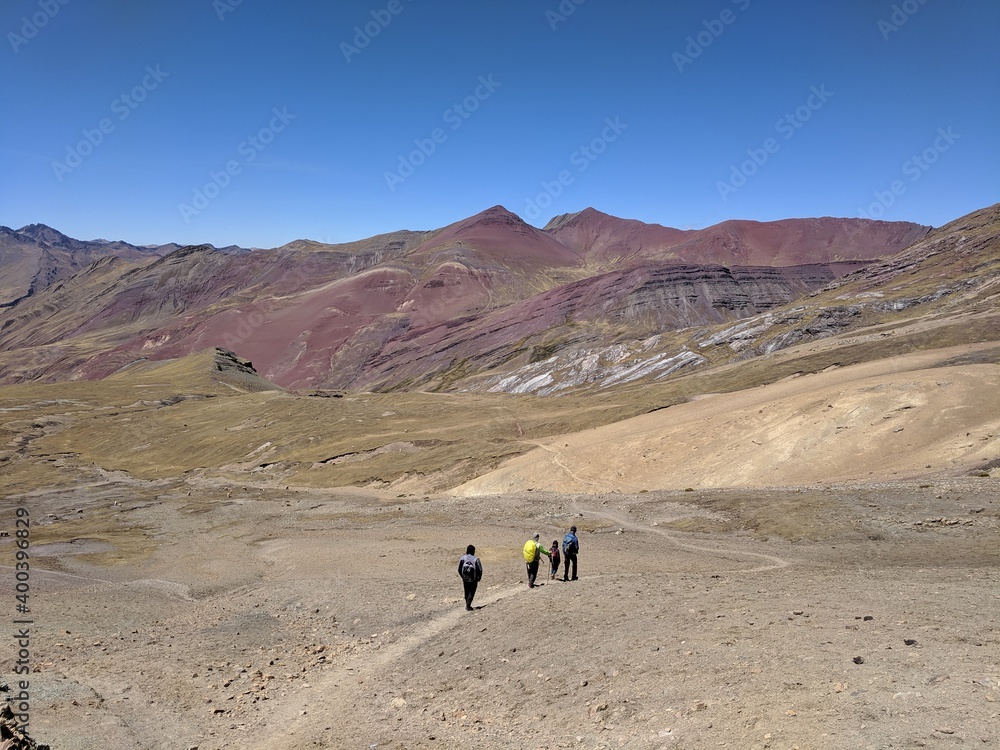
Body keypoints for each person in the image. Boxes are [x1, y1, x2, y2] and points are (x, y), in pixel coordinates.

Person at [457, 544, 483, 611]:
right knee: (472, 591)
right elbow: (480, 569)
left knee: (466, 591)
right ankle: (468, 605)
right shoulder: (476, 559)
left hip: (465, 578)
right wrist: (479, 577)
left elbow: (459, 569)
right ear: (473, 551)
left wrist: (462, 576)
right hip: (473, 579)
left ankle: (467, 604)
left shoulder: (463, 558)